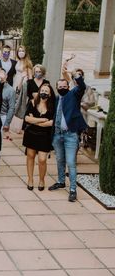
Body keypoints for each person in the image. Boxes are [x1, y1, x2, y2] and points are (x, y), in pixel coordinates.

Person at [49, 73, 87, 202]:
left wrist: (76, 76)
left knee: (71, 162)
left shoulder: (73, 95)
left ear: (68, 86)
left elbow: (81, 86)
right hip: (57, 134)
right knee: (60, 159)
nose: (62, 88)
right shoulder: (55, 99)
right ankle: (61, 181)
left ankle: (72, 189)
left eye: (64, 86)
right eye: (60, 86)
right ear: (56, 87)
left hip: (70, 134)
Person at [23, 83, 55, 191]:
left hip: (45, 136)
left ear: (50, 94)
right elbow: (27, 118)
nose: (44, 93)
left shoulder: (52, 106)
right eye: (42, 90)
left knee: (42, 159)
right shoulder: (32, 103)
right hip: (31, 134)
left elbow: (51, 123)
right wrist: (41, 120)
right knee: (30, 156)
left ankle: (42, 180)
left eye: (46, 91)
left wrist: (34, 120)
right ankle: (30, 179)